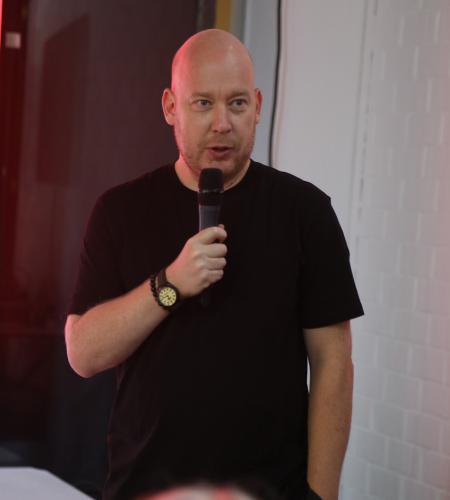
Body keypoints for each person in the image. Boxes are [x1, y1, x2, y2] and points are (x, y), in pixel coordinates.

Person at [65, 29, 363, 500]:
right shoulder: (120, 212)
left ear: (258, 106)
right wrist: (170, 284)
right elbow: (84, 354)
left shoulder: (305, 213)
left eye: (237, 103)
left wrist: (320, 495)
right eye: (203, 103)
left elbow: (333, 362)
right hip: (146, 489)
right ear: (171, 107)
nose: (222, 123)